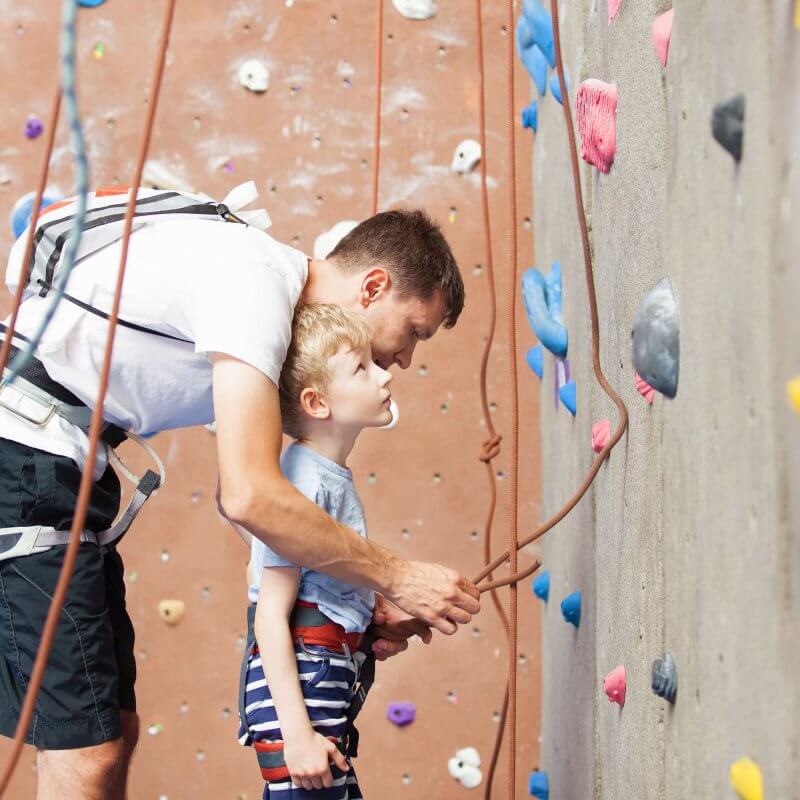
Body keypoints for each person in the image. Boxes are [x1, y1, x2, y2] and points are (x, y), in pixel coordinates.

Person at [0, 189, 481, 799]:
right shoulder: (255, 285)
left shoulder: (263, 299)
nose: (405, 359)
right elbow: (251, 498)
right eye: (413, 331)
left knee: (113, 730)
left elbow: (249, 503)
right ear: (373, 287)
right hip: (23, 457)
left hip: (57, 467)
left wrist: (355, 593)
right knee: (85, 753)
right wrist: (398, 576)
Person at [239, 302, 393, 799]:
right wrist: (297, 736)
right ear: (318, 402)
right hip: (302, 688)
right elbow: (270, 612)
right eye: (362, 368)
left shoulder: (322, 475)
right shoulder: (305, 481)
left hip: (320, 675)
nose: (384, 375)